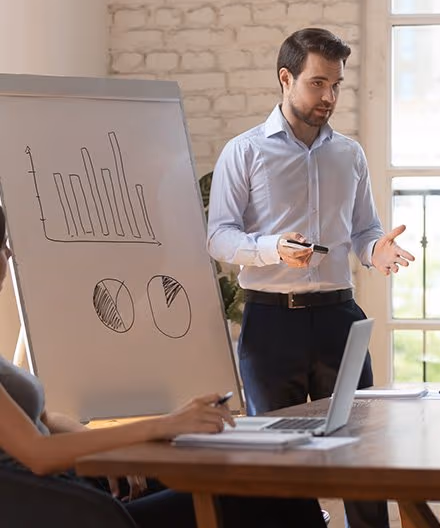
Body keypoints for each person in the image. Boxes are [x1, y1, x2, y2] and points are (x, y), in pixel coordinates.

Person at [0, 205, 325, 528]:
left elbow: (44, 419)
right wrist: (165, 425)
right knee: (275, 490)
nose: (10, 252)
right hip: (74, 510)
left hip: (88, 487)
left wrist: (114, 452)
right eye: (2, 244)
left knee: (277, 478)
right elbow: (37, 454)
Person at [206, 27, 413, 528]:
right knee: (276, 461)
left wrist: (376, 252)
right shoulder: (245, 151)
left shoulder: (350, 154)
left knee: (361, 449)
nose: (330, 97)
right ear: (286, 78)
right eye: (318, 83)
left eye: (337, 85)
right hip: (269, 323)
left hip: (339, 317)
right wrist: (269, 247)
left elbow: (364, 231)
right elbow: (217, 237)